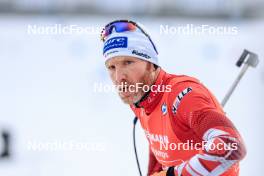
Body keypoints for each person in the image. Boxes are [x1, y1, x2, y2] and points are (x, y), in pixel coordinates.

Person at [100, 20, 246, 176]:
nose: (119, 77)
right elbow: (161, 146)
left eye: (128, 62)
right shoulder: (140, 99)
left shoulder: (183, 96)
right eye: (111, 67)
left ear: (151, 64)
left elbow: (231, 145)